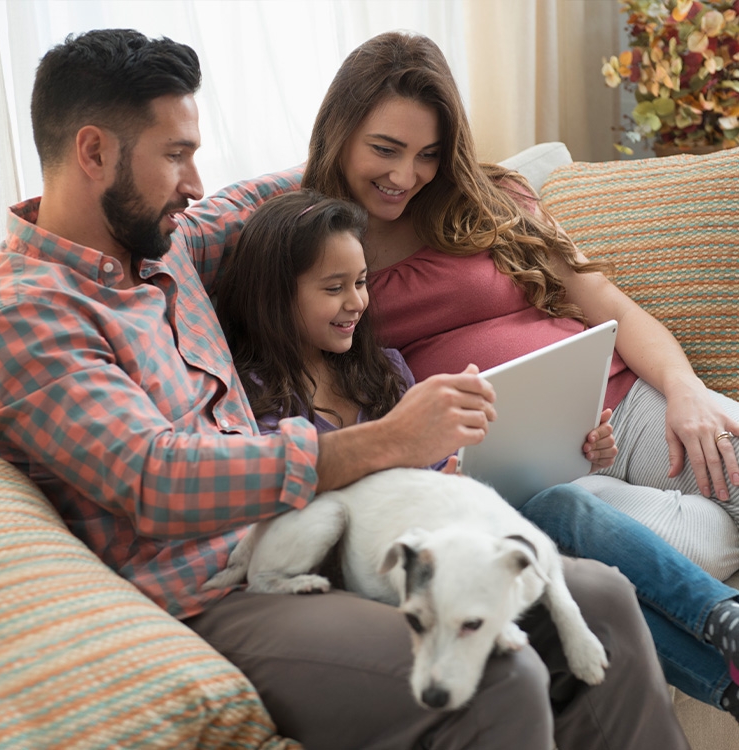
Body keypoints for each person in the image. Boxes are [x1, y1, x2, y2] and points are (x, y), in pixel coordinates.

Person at [0, 28, 688, 750]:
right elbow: (153, 475)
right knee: (493, 679)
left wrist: (414, 162)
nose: (194, 182)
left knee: (598, 599)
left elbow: (309, 178)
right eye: (174, 156)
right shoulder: (27, 314)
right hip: (221, 594)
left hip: (323, 533)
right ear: (93, 152)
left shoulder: (173, 246)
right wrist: (386, 439)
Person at [300, 29, 739, 718]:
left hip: (622, 406)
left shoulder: (491, 197)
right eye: (385, 150)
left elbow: (609, 305)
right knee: (703, 548)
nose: (405, 175)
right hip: (531, 483)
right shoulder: (313, 243)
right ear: (338, 133)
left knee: (727, 464)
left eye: (428, 155)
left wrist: (685, 392)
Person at [217, 178, 739, 721]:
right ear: (278, 295)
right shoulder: (255, 401)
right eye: (334, 288)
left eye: (363, 282)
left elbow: (431, 472)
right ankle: (723, 628)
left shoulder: (383, 369)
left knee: (566, 506)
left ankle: (727, 659)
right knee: (575, 567)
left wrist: (549, 452)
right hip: (397, 558)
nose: (357, 303)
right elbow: (288, 490)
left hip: (460, 521)